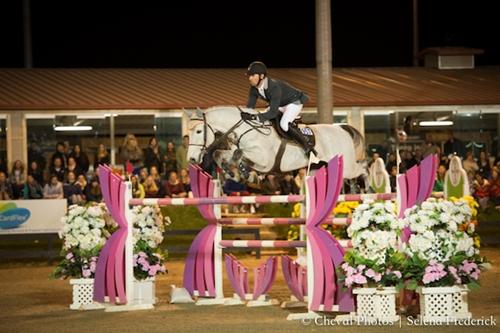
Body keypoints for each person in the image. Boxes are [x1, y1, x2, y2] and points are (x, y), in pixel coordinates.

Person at [241, 61, 315, 156]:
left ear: (262, 76)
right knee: (266, 117)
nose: (250, 78)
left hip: (293, 103)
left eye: (252, 75)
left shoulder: (273, 87)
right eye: (249, 76)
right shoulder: (254, 89)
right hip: (281, 104)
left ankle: (308, 148)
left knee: (284, 124)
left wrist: (254, 117)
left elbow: (272, 113)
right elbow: (250, 108)